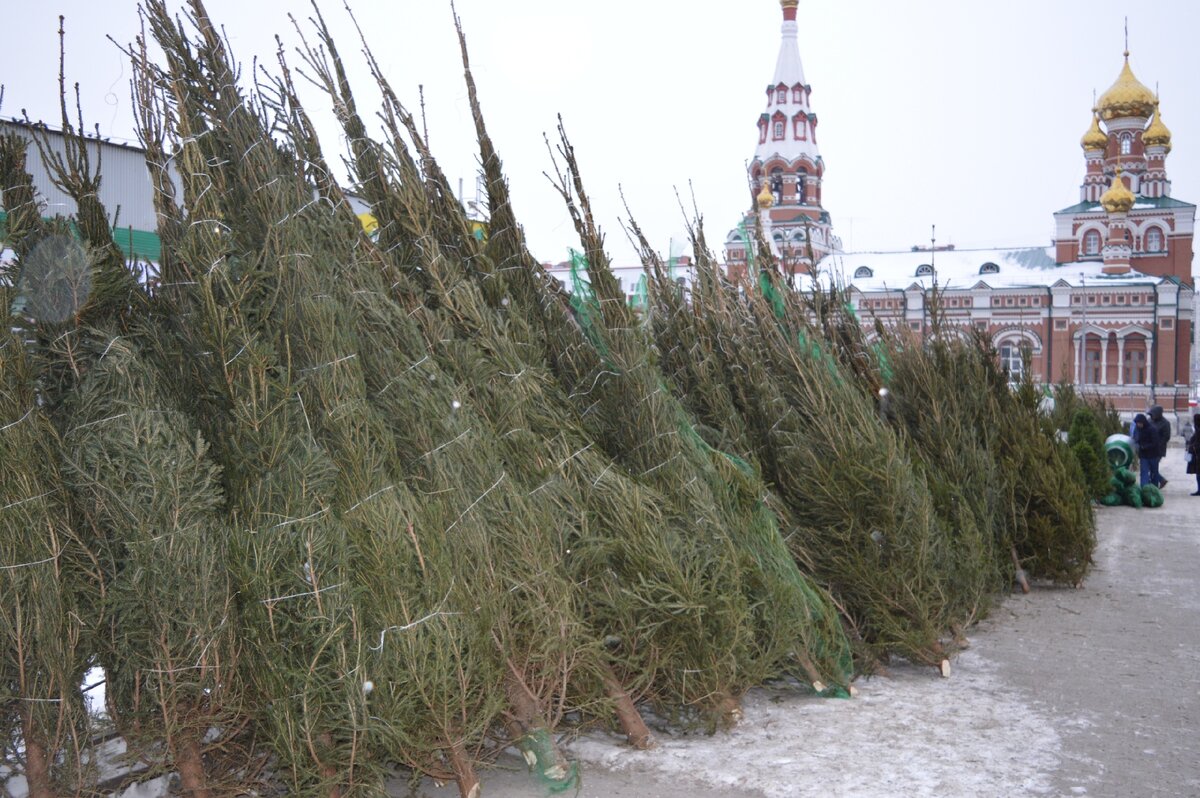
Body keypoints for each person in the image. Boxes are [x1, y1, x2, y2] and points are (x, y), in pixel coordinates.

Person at [1133, 413, 1161, 487]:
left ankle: (1154, 488)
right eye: (1137, 423)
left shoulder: (1152, 429)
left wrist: (1145, 447)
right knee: (1144, 472)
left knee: (1154, 473)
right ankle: (1144, 488)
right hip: (1143, 455)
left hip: (1153, 455)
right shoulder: (1138, 430)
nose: (1138, 425)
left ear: (1143, 422)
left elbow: (1155, 442)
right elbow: (1136, 438)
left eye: (1139, 423)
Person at [1147, 405, 1171, 489]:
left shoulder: (1165, 423)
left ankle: (1156, 482)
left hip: (1158, 450)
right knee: (1150, 466)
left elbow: (1166, 437)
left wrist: (1157, 444)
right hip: (1149, 448)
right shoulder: (1149, 421)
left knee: (1153, 466)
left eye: (1153, 414)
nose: (1152, 416)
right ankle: (1159, 480)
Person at [1188, 413, 1200, 496]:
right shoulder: (1197, 430)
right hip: (1197, 456)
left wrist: (1194, 447)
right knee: (1198, 474)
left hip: (1198, 455)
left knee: (1199, 474)